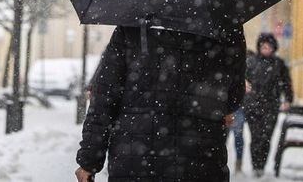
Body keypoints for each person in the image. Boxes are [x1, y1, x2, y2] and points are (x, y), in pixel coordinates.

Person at [74, 25, 247, 182]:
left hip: (136, 158)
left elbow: (104, 99)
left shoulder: (132, 24)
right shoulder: (226, 25)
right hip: (199, 157)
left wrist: (89, 161)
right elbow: (233, 96)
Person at [242, 32, 293, 177]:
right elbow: (241, 78)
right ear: (258, 46)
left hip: (271, 106)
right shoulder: (251, 62)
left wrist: (288, 99)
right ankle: (255, 166)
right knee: (255, 138)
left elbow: (286, 83)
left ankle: (262, 165)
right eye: (263, 46)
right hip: (253, 106)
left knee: (266, 138)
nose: (265, 48)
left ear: (273, 47)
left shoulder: (279, 64)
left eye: (268, 46)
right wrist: (243, 84)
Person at [227, 49, 258, 173]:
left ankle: (238, 164)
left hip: (237, 105)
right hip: (226, 103)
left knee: (237, 135)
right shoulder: (228, 60)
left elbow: (252, 86)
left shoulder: (248, 64)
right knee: (226, 135)